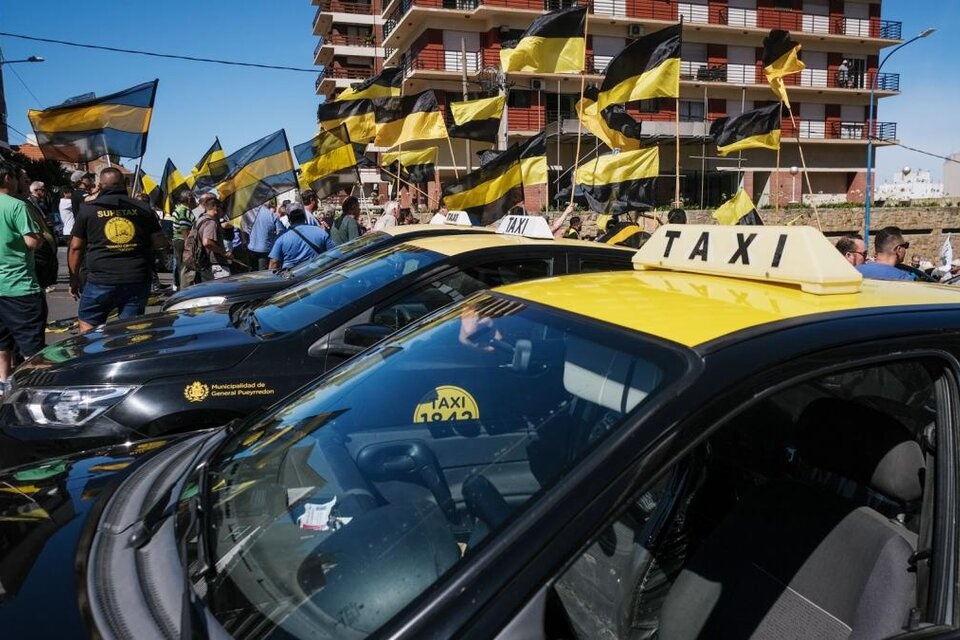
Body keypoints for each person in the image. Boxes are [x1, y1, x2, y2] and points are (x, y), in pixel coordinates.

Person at [69, 167, 170, 332]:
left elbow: (76, 247)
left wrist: (74, 279)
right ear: (124, 184)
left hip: (101, 278)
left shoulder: (88, 210)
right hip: (136, 277)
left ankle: (94, 355)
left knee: (88, 322)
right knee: (131, 328)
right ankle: (128, 354)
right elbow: (160, 242)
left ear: (100, 185)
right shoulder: (144, 209)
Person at [0, 161, 46, 392]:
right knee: (31, 344)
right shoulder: (16, 206)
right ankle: (34, 387)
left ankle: (3, 382)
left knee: (2, 342)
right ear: (8, 177)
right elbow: (32, 241)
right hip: (19, 286)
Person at [267, 204, 335, 270]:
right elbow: (333, 253)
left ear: (288, 217)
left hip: (292, 278)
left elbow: (273, 264)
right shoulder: (321, 232)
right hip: (316, 275)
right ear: (304, 215)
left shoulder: (281, 238)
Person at [196, 197, 233, 281]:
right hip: (216, 265)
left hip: (206, 263)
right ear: (216, 208)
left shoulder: (200, 219)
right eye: (222, 209)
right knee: (225, 289)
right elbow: (207, 242)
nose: (223, 212)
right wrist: (224, 252)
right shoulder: (211, 222)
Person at [247, 201, 285, 270]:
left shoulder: (250, 214)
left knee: (252, 272)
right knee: (263, 275)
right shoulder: (272, 215)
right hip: (265, 249)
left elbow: (244, 228)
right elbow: (281, 231)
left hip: (251, 248)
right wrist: (274, 241)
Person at [171, 191, 196, 290]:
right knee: (185, 266)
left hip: (180, 240)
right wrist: (187, 243)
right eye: (193, 198)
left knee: (181, 265)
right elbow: (184, 228)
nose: (195, 201)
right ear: (189, 199)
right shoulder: (183, 210)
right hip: (182, 240)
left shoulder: (182, 209)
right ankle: (184, 288)